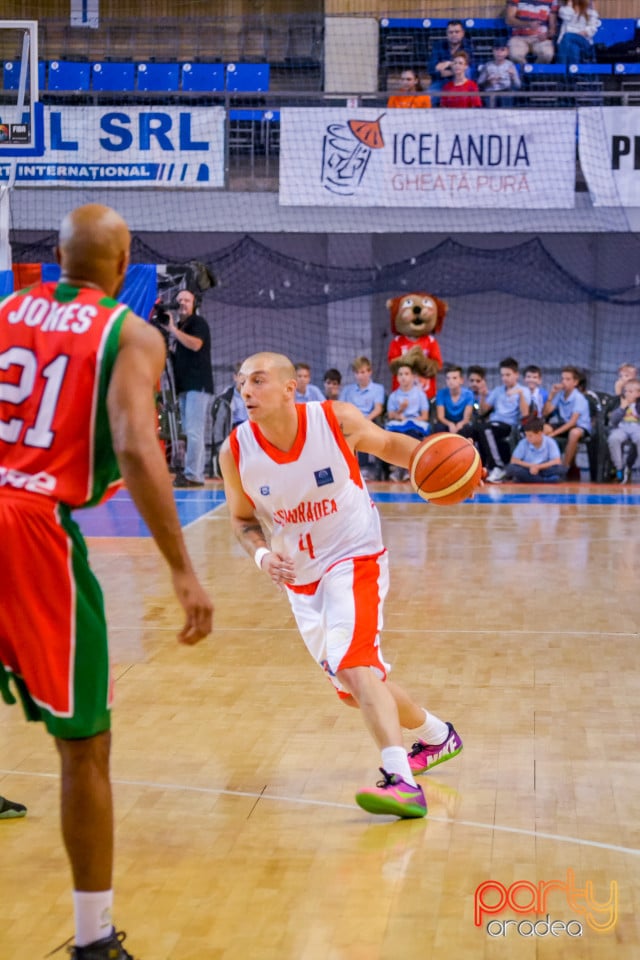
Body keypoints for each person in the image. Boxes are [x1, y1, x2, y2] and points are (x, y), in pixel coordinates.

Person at [0, 203, 213, 960]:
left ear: (56, 257)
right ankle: (93, 943)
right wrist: (183, 570)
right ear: (124, 266)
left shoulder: (3, 310)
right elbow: (132, 443)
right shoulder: (131, 332)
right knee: (84, 742)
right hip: (29, 529)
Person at [219, 353, 462, 820]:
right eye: (241, 382)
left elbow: (395, 446)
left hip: (355, 554)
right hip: (301, 577)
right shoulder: (235, 451)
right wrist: (262, 554)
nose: (246, 390)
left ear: (291, 388)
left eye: (258, 380)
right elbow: (242, 518)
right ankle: (437, 736)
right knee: (357, 688)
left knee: (353, 663)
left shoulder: (335, 419)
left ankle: (401, 782)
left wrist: (449, 464)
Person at [168, 289, 214, 488]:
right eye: (180, 300)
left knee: (194, 431)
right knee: (190, 431)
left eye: (187, 300)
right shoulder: (180, 325)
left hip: (198, 384)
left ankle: (193, 474)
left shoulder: (197, 323)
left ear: (194, 303)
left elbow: (195, 345)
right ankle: (194, 473)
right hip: (185, 385)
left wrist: (172, 330)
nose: (183, 304)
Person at [475, 357, 532, 483]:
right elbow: (483, 411)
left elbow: (525, 414)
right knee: (471, 429)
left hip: (509, 425)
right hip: (493, 423)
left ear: (516, 375)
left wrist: (520, 395)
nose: (505, 378)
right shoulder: (498, 391)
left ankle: (499, 467)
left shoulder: (524, 391)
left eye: (508, 374)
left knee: (486, 429)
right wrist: (483, 396)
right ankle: (477, 468)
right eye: (502, 375)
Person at [340, 356, 386, 480]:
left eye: (363, 372)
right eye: (357, 373)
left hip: (368, 420)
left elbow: (378, 409)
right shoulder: (347, 390)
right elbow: (340, 408)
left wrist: (364, 420)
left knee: (364, 430)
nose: (360, 376)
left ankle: (365, 468)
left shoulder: (378, 389)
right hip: (349, 421)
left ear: (370, 372)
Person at [542, 365, 591, 475]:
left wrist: (554, 433)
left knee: (574, 433)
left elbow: (573, 422)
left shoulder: (579, 398)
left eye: (568, 379)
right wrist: (551, 394)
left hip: (579, 426)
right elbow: (546, 412)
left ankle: (564, 468)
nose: (564, 382)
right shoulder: (559, 395)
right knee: (544, 429)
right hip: (564, 424)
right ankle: (542, 465)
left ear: (575, 382)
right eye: (562, 379)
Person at [385, 362, 430, 480]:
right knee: (397, 434)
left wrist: (411, 419)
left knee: (411, 431)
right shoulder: (394, 396)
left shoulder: (420, 394)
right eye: (400, 374)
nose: (403, 377)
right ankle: (398, 468)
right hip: (399, 424)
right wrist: (401, 410)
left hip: (415, 423)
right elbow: (391, 415)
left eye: (406, 374)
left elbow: (425, 416)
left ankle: (407, 468)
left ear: (412, 376)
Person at [505, 417, 566, 483]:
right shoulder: (523, 442)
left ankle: (529, 479)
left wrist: (538, 467)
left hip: (544, 468)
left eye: (530, 436)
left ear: (539, 434)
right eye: (526, 435)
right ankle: (544, 480)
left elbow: (556, 461)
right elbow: (514, 460)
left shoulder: (550, 442)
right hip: (528, 468)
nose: (528, 438)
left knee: (561, 469)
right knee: (511, 468)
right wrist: (531, 466)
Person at [427, 19, 475, 99]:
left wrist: (448, 65)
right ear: (447, 34)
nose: (454, 34)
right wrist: (457, 69)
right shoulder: (438, 46)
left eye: (457, 32)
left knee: (468, 71)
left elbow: (470, 70)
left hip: (462, 83)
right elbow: (431, 69)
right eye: (451, 32)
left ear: (462, 33)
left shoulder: (468, 47)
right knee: (427, 98)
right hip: (441, 82)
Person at [607, 378, 640, 484]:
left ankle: (631, 467)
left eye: (631, 391)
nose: (627, 394)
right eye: (625, 391)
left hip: (637, 427)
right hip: (621, 427)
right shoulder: (619, 402)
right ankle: (619, 468)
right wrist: (622, 408)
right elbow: (613, 421)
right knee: (613, 438)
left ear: (638, 394)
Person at [506, 0, 558, 64]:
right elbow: (509, 20)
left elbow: (552, 28)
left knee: (547, 54)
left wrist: (547, 35)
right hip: (519, 37)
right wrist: (528, 24)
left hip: (540, 38)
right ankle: (525, 71)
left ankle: (535, 72)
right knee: (515, 56)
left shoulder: (552, 1)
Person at [477, 39, 521, 107]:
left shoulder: (510, 65)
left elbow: (518, 85)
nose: (499, 52)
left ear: (507, 52)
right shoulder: (488, 65)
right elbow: (479, 83)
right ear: (493, 51)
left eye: (502, 50)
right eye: (496, 49)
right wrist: (488, 81)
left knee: (508, 97)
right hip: (491, 93)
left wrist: (512, 77)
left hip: (506, 93)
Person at [556, 0, 601, 64]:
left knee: (567, 36)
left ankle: (560, 69)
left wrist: (585, 32)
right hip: (567, 43)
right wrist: (569, 3)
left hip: (583, 40)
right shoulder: (565, 9)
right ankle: (573, 72)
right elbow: (566, 16)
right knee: (574, 48)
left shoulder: (589, 10)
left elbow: (592, 28)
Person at [434, 365, 475, 434]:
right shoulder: (441, 394)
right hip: (446, 422)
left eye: (454, 378)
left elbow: (466, 418)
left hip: (461, 422)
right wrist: (450, 424)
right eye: (448, 378)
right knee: (438, 427)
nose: (451, 381)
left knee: (467, 429)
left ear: (461, 380)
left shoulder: (469, 394)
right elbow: (440, 416)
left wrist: (460, 424)